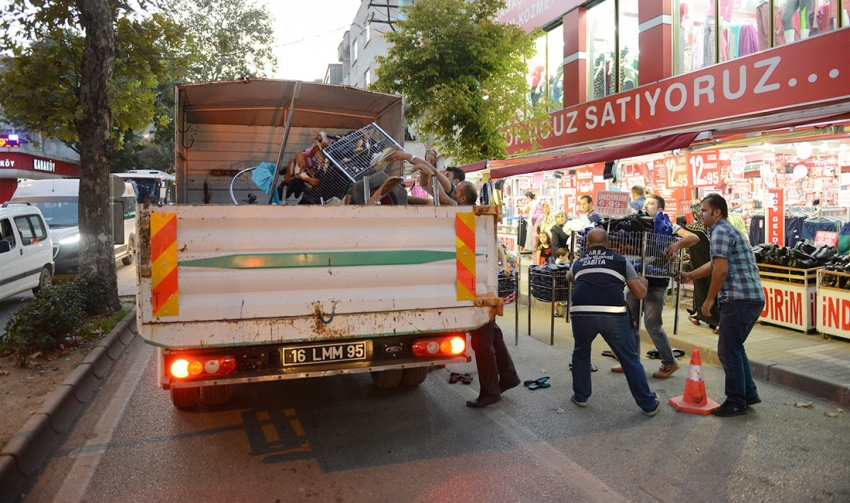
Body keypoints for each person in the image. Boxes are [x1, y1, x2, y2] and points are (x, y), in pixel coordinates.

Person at [385, 148, 520, 408]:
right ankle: (509, 377)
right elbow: (428, 181)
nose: (449, 187)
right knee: (492, 334)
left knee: (482, 340)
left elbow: (433, 176)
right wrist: (426, 166)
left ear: (460, 194)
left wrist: (409, 158)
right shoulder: (473, 214)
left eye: (454, 187)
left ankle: (491, 391)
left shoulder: (461, 208)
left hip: (473, 282)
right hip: (478, 279)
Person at [678, 194, 765, 417]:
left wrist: (708, 301)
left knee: (727, 350)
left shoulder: (720, 231)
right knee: (734, 346)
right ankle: (748, 393)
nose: (701, 215)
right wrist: (689, 274)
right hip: (750, 297)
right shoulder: (726, 230)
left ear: (717, 212)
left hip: (739, 298)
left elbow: (721, 270)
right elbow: (713, 264)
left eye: (705, 211)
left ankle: (736, 400)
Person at [567, 228, 660, 416]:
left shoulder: (578, 262)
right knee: (628, 357)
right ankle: (648, 404)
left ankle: (581, 396)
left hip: (581, 313)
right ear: (608, 244)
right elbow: (640, 293)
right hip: (613, 314)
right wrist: (645, 283)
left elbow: (570, 278)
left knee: (581, 352)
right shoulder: (620, 261)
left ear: (587, 245)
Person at [616, 195, 699, 378]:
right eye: (646, 202)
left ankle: (670, 362)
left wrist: (677, 245)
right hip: (635, 278)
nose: (647, 204)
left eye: (651, 203)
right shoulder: (635, 224)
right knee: (631, 322)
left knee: (652, 324)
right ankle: (632, 362)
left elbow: (693, 238)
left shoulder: (669, 225)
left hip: (657, 280)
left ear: (660, 208)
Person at [684, 202, 720, 334]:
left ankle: (715, 321)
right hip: (714, 265)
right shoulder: (714, 228)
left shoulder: (691, 229)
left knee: (703, 292)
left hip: (700, 267)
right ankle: (698, 314)